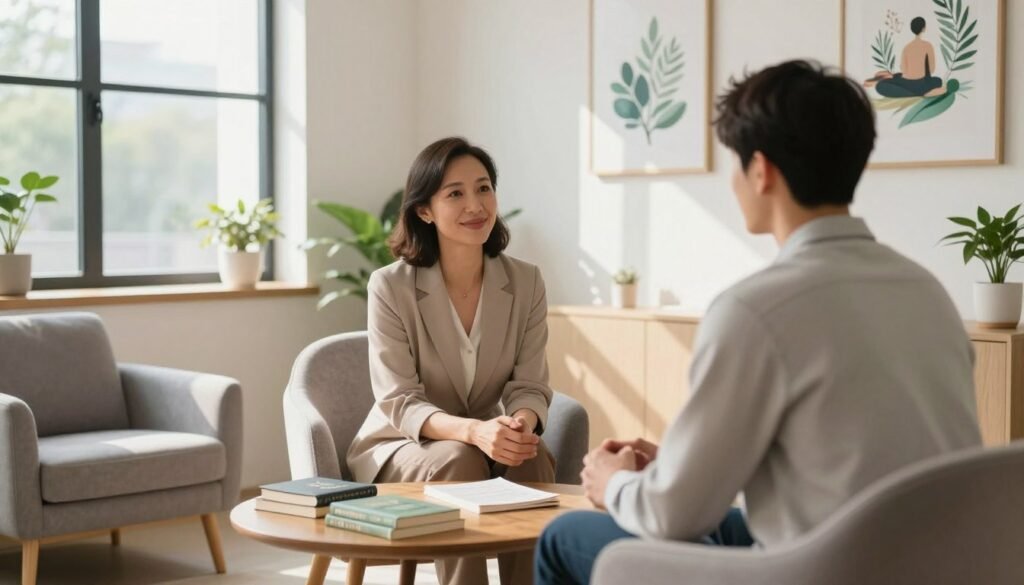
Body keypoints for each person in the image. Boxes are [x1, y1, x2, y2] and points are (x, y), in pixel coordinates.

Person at [535, 59, 981, 585]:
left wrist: (612, 484)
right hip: (931, 562)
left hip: (823, 570)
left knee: (562, 537)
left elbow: (672, 517)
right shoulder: (927, 292)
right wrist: (682, 465)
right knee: (723, 525)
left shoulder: (755, 310)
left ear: (761, 170)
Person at [347, 136, 555, 585]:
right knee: (458, 459)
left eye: (483, 188)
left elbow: (531, 384)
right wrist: (474, 432)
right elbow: (399, 400)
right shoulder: (390, 287)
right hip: (403, 445)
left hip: (480, 441)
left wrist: (517, 426)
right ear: (425, 210)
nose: (475, 205)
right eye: (455, 193)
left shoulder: (526, 281)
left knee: (530, 458)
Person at [872, 16, 945, 97]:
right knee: (938, 81)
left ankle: (909, 92)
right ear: (923, 28)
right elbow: (932, 69)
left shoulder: (907, 47)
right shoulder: (928, 46)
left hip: (907, 83)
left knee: (881, 84)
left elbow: (904, 69)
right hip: (922, 84)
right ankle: (920, 92)